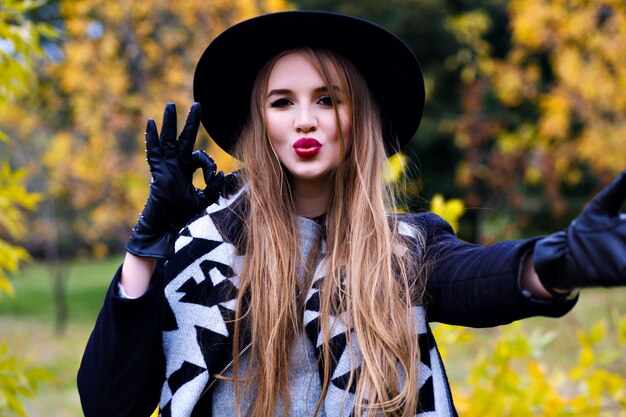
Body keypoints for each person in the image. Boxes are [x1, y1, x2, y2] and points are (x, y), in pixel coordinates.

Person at [77, 10, 626, 417]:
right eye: (282, 102)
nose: (306, 120)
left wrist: (561, 262)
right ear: (260, 123)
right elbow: (107, 403)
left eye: (328, 99)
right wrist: (148, 245)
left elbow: (479, 277)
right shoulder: (205, 245)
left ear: (356, 118)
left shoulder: (405, 246)